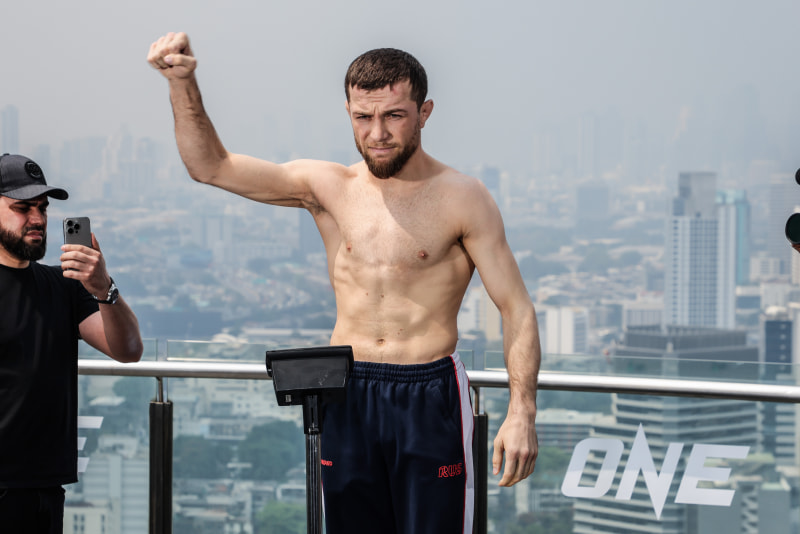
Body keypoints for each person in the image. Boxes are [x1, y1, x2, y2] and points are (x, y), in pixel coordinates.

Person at [148, 32, 540, 534]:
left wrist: (521, 411)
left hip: (429, 394)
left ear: (424, 113)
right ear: (349, 113)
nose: (378, 133)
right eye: (363, 117)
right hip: (345, 389)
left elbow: (516, 308)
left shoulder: (464, 197)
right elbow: (211, 167)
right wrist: (182, 83)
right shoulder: (328, 187)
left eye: (394, 116)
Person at [0, 153, 143, 533]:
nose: (37, 218)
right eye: (22, 208)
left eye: (42, 208)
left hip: (46, 486)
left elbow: (128, 351)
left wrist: (103, 288)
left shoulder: (64, 286)